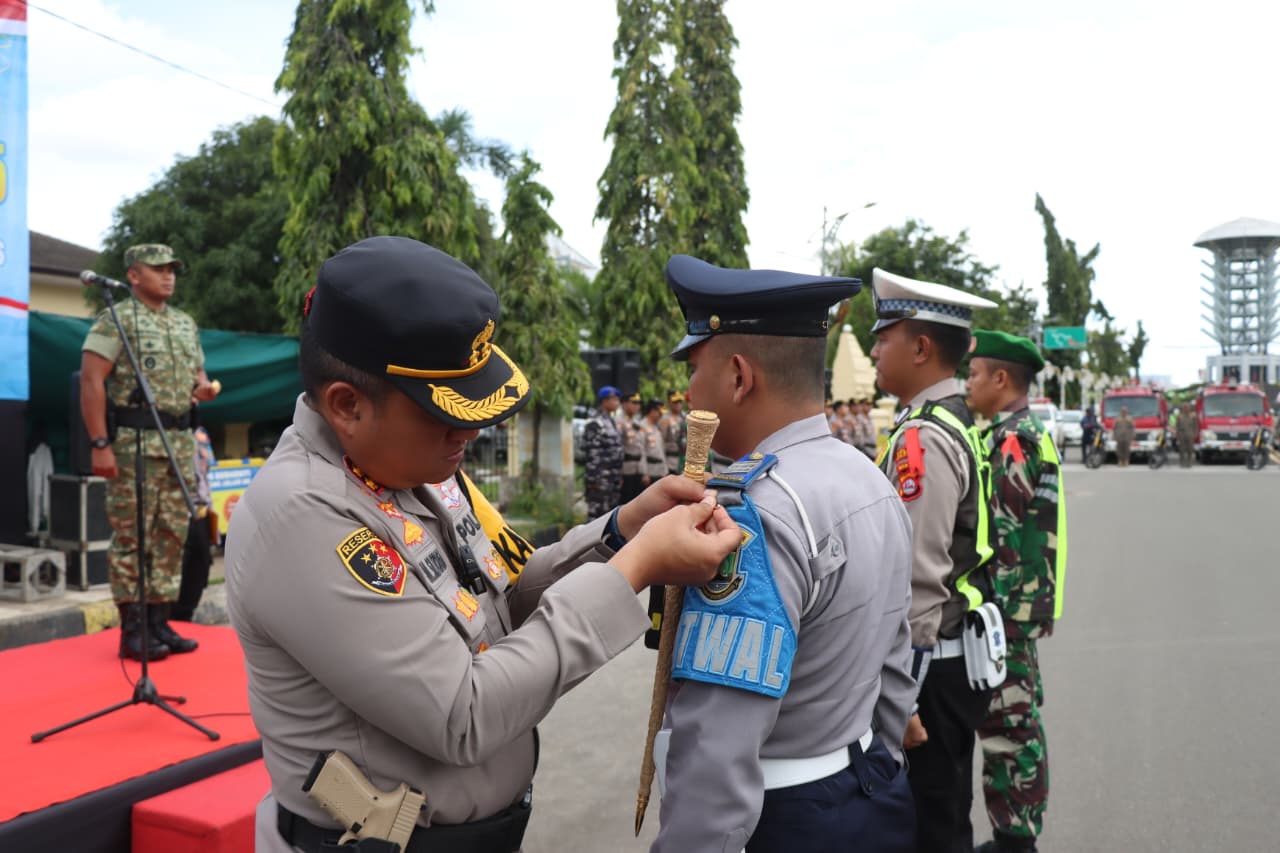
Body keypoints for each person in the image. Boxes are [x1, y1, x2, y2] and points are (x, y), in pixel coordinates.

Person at [223, 236, 741, 853]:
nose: (469, 432)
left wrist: (618, 533)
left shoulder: (409, 468)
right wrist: (635, 568)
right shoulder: (303, 514)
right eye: (444, 414)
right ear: (347, 406)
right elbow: (463, 714)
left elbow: (503, 602)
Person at [652, 255, 917, 853]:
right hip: (872, 790)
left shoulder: (752, 512)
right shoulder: (869, 478)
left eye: (694, 370)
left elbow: (716, 748)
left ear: (739, 377)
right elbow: (896, 659)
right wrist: (882, 764)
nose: (687, 393)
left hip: (785, 817)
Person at [867, 268, 1000, 853]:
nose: (874, 350)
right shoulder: (950, 421)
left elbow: (919, 578)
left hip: (930, 671)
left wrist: (902, 698)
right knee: (940, 817)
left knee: (932, 827)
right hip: (946, 661)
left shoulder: (924, 436)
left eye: (884, 338)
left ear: (920, 348)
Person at [80, 243, 217, 661]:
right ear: (134, 275)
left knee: (171, 535)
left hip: (178, 443)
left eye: (172, 269)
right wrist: (100, 444)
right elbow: (91, 380)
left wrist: (202, 388)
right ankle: (133, 629)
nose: (168, 276)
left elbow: (198, 375)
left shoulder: (184, 323)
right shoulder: (117, 319)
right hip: (133, 445)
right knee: (133, 536)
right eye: (158, 269)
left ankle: (159, 621)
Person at [965, 331, 1068, 853]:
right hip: (1020, 603)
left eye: (974, 374)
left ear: (1001, 379)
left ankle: (1016, 840)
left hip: (1006, 606)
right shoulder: (1024, 433)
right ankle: (1016, 834)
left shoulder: (1012, 440)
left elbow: (1000, 534)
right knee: (1016, 720)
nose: (967, 384)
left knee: (1010, 725)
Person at [172, 424, 215, 622]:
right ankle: (169, 620)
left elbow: (205, 473)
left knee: (200, 568)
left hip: (201, 513)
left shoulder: (200, 435)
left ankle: (185, 618)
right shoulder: (168, 435)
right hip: (176, 512)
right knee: (175, 572)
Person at [583, 385, 624, 518]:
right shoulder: (595, 422)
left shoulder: (611, 421)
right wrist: (594, 479)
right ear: (605, 401)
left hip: (612, 477)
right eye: (614, 399)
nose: (617, 402)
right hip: (600, 478)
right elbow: (592, 453)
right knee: (597, 515)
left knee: (610, 515)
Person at [619, 392, 646, 502]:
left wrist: (644, 470)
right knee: (625, 501)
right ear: (624, 404)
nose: (637, 406)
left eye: (639, 403)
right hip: (625, 469)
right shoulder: (619, 421)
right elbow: (617, 448)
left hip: (638, 469)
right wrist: (618, 473)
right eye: (634, 403)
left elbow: (642, 448)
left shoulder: (637, 422)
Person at [640, 398, 668, 484]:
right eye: (660, 413)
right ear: (652, 411)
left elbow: (661, 451)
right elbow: (641, 451)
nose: (661, 415)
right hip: (649, 472)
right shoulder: (642, 426)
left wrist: (665, 471)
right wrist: (644, 473)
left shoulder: (656, 427)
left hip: (659, 471)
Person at [659, 392, 688, 474]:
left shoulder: (685, 417)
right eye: (675, 402)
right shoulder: (665, 419)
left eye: (680, 401)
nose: (678, 404)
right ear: (669, 402)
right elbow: (661, 441)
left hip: (684, 460)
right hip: (670, 460)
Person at [1176, 402, 1198, 468]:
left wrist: (1195, 434)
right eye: (1184, 408)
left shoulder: (1193, 416)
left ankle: (1189, 462)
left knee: (1190, 449)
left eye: (1187, 408)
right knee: (1182, 450)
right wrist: (1177, 434)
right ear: (1182, 409)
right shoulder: (1179, 416)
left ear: (1189, 409)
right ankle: (1182, 462)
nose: (1186, 409)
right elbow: (1177, 426)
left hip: (1190, 434)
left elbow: (1195, 426)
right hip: (1182, 435)